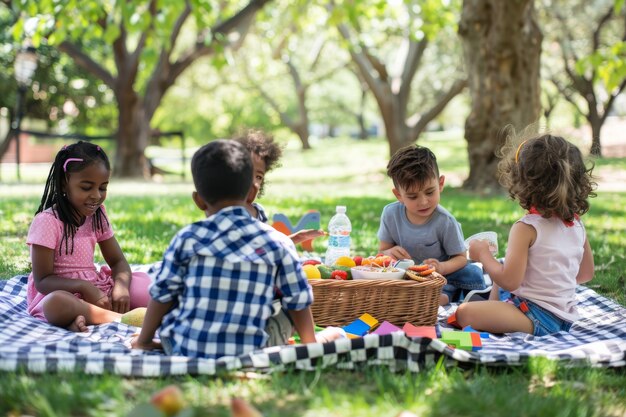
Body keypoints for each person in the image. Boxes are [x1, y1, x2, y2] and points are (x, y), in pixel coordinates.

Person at [131, 140, 339, 358]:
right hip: (253, 352)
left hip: (185, 348)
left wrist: (144, 340)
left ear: (199, 200)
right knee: (287, 303)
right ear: (252, 193)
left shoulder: (187, 238)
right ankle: (317, 341)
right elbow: (298, 300)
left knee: (177, 291)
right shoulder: (278, 242)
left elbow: (162, 293)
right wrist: (310, 346)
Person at [455, 133, 596, 336]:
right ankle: (493, 305)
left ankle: (492, 309)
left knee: (464, 312)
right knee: (499, 282)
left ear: (522, 183)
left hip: (536, 317)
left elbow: (510, 281)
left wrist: (483, 255)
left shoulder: (526, 228)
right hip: (565, 316)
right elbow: (585, 274)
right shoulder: (576, 223)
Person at [26, 141, 151, 332]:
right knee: (56, 304)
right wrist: (84, 287)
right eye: (86, 187)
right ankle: (120, 319)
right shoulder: (47, 222)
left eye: (102, 188)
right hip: (60, 292)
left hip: (96, 288)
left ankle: (84, 318)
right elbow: (43, 281)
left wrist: (121, 288)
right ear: (64, 183)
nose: (96, 195)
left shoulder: (97, 215)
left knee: (148, 290)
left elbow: (118, 262)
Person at [377, 145, 485, 304]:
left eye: (429, 192)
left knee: (469, 273)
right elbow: (382, 251)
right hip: (404, 275)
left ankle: (445, 297)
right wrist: (390, 252)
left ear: (440, 184)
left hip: (439, 277)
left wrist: (441, 267)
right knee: (382, 283)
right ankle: (424, 298)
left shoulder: (445, 221)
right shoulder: (390, 214)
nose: (423, 202)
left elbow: (461, 258)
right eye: (413, 197)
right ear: (398, 195)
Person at [233, 129, 325, 245]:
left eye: (259, 177)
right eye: (247, 171)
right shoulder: (217, 210)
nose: (254, 182)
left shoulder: (258, 212)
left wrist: (298, 237)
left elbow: (268, 247)